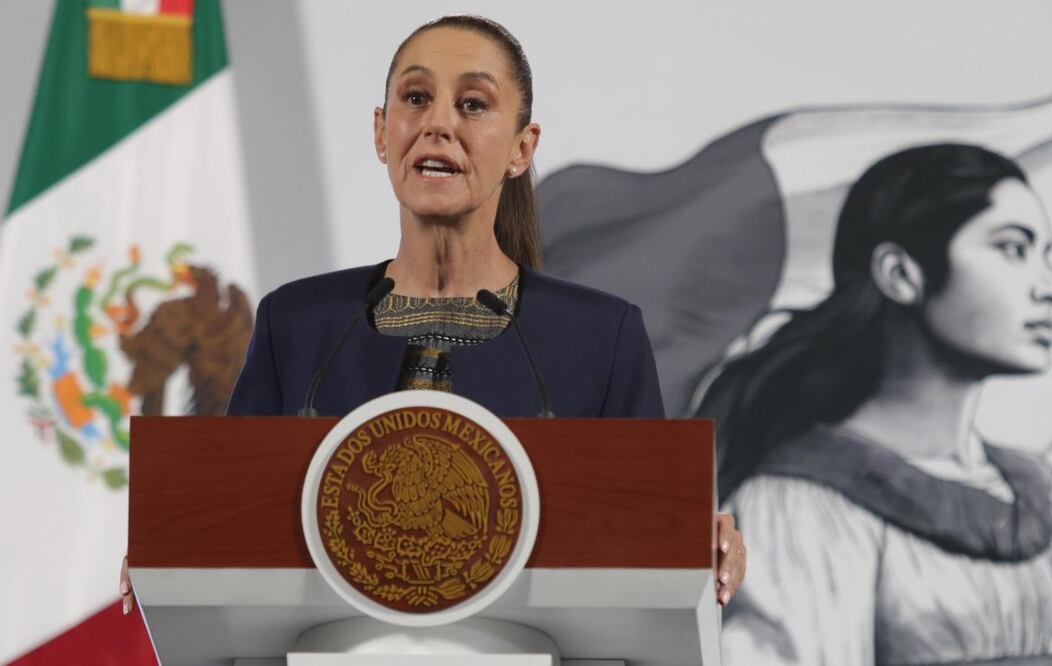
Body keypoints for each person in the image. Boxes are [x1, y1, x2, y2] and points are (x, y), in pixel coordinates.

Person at [121, 15, 746, 614]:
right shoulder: (297, 324)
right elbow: (233, 519)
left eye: (473, 104)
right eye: (415, 98)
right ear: (380, 132)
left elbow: (643, 530)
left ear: (522, 148)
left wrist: (692, 537)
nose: (438, 124)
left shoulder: (600, 337)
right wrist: (174, 547)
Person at [697, 143, 1052, 664]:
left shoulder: (1048, 495)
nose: (1050, 287)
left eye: (1045, 255)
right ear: (901, 274)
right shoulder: (801, 506)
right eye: (1013, 249)